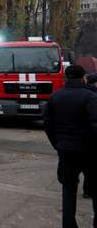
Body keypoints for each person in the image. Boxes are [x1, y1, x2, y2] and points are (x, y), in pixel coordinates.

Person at [43, 64, 97, 228]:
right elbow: (95, 124)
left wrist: (58, 144)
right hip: (89, 152)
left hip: (66, 151)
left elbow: (48, 124)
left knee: (68, 190)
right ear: (83, 78)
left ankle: (68, 225)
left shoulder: (55, 97)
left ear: (66, 77)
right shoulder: (90, 97)